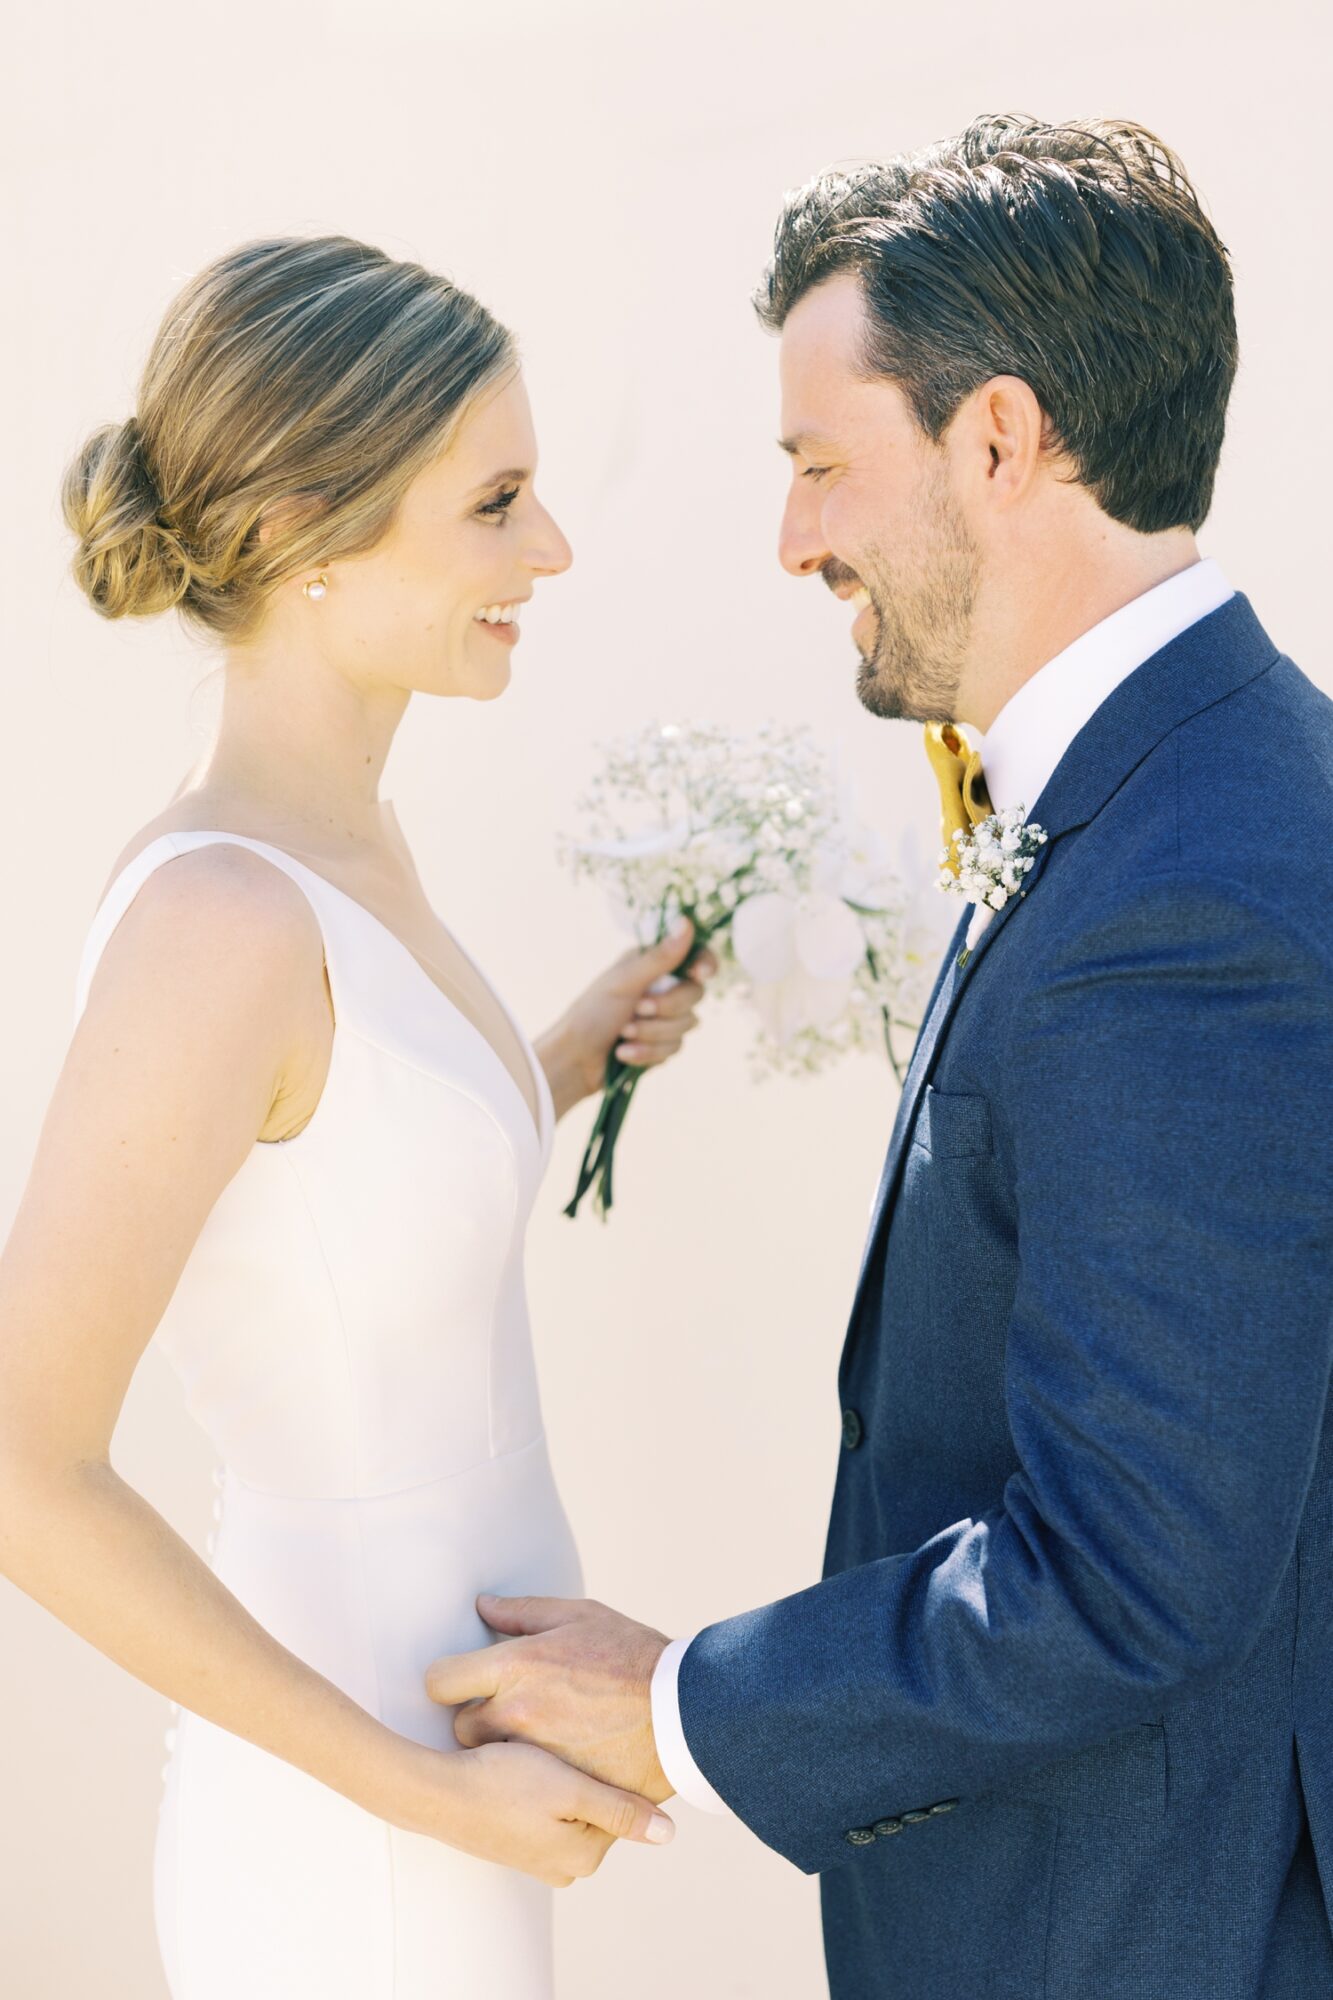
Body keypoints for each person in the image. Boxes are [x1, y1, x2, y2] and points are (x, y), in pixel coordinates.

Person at [422, 117, 1333, 1997]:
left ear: (996, 438)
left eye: (821, 466)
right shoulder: (1188, 788)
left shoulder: (1191, 892)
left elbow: (1128, 1571)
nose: (793, 539)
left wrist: (679, 1706)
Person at [0, 234, 716, 1999]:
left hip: (444, 1801)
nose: (548, 549)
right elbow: (21, 1474)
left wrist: (553, 1060)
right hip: (359, 1842)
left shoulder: (346, 852)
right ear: (315, 536)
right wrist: (419, 1798)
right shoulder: (218, 921)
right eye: (497, 503)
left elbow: (321, 1195)